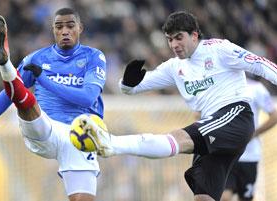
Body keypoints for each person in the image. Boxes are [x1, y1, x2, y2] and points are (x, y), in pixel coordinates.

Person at [77, 11, 277, 201]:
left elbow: (260, 64)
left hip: (235, 117)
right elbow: (132, 88)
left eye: (179, 37)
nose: (174, 44)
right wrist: (127, 83)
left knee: (177, 137)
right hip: (212, 130)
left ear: (194, 35)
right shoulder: (174, 67)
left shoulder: (219, 49)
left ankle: (110, 143)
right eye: (170, 39)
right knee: (203, 197)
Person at [0, 8, 107, 201]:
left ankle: (8, 69)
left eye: (70, 26)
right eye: (59, 27)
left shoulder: (94, 57)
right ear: (53, 30)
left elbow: (88, 97)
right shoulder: (37, 59)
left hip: (79, 136)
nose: (64, 31)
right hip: (46, 128)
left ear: (80, 28)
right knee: (25, 104)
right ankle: (6, 65)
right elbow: (6, 96)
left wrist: (44, 79)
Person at [221, 78, 277, 201]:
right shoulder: (220, 84)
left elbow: (274, 115)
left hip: (250, 155)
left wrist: (254, 134)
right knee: (224, 197)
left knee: (245, 198)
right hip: (226, 155)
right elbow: (199, 113)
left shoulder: (256, 88)